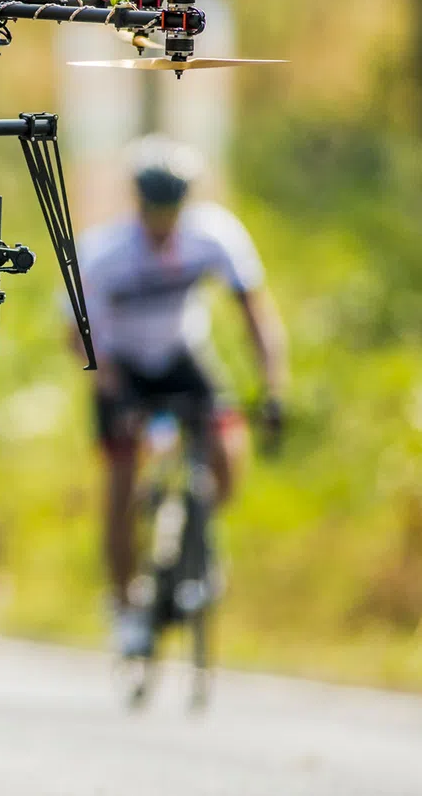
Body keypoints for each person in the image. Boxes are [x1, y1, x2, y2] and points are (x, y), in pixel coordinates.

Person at [77, 136, 287, 659]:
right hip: (120, 366)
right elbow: (80, 336)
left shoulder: (214, 237)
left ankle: (196, 541)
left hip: (180, 355)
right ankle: (125, 606)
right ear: (138, 203)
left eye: (172, 207)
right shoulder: (105, 253)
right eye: (154, 207)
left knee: (226, 455)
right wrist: (111, 391)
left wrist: (274, 387)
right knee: (121, 484)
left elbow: (255, 315)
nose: (163, 219)